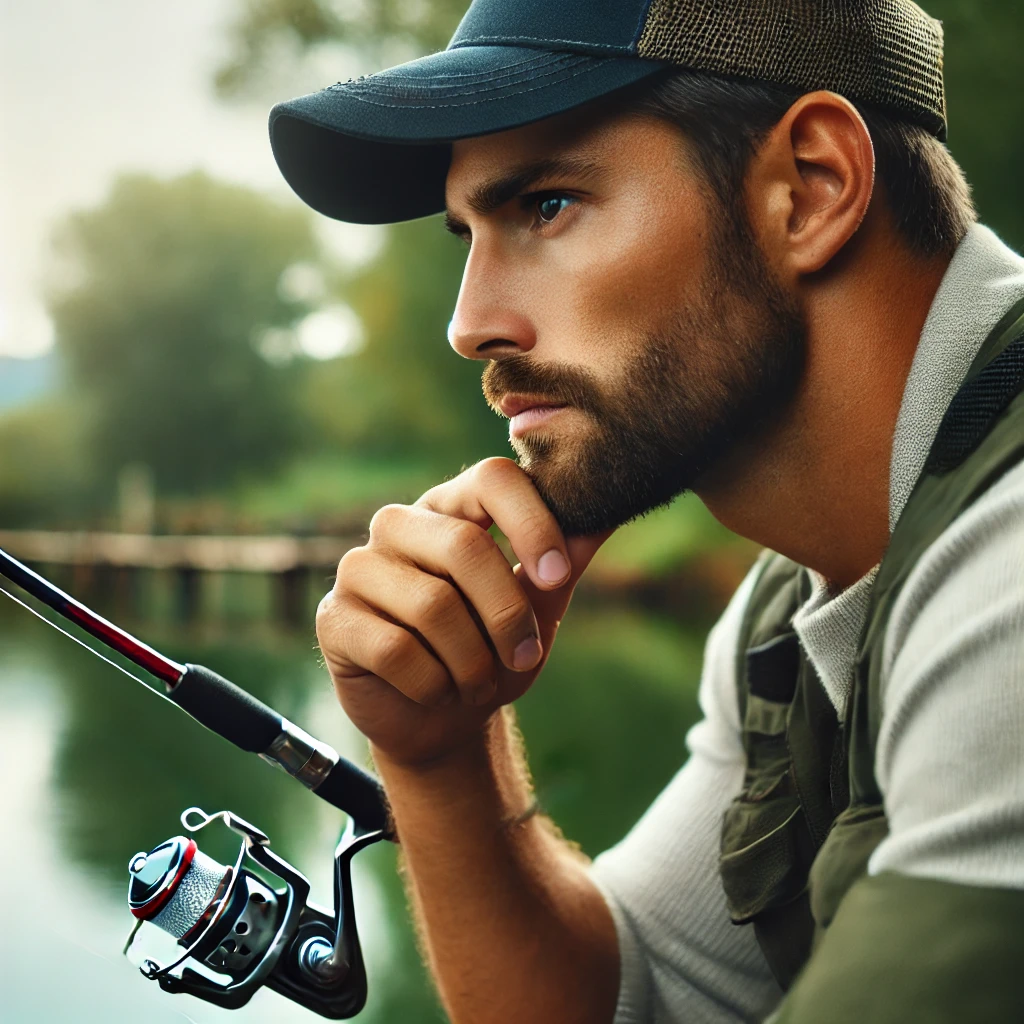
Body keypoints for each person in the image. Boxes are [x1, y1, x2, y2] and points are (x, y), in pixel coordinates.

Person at [270, 2, 1024, 1021]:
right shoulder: (794, 606)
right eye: (471, 234)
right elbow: (646, 996)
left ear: (809, 188)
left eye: (544, 205)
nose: (468, 324)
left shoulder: (1007, 577)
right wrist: (440, 758)